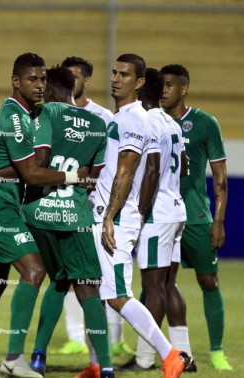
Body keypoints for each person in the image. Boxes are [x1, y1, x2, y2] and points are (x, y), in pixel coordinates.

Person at [0, 53, 85, 378]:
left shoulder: (32, 113)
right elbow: (31, 173)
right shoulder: (13, 116)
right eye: (32, 79)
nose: (40, 85)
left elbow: (32, 164)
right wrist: (72, 176)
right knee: (35, 269)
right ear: (16, 81)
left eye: (43, 79)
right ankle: (14, 357)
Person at [77, 54, 192, 378]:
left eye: (124, 74)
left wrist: (111, 217)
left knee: (117, 296)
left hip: (115, 220)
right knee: (90, 291)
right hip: (101, 215)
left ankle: (171, 355)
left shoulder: (133, 119)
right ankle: (98, 364)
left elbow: (126, 173)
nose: (115, 78)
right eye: (114, 72)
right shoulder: (122, 117)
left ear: (139, 82)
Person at [21, 66, 113, 377]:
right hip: (73, 216)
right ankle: (106, 366)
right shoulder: (100, 124)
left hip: (39, 213)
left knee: (57, 281)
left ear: (53, 91)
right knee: (88, 288)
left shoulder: (47, 113)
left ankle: (38, 355)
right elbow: (93, 176)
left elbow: (39, 161)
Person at [58, 56, 133, 359]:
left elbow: (113, 162)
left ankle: (114, 339)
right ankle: (77, 338)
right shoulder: (55, 113)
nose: (70, 81)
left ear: (87, 80)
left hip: (96, 207)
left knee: (106, 277)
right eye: (66, 76)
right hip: (65, 205)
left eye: (76, 76)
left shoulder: (103, 117)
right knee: (71, 278)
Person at [119, 68, 193, 371]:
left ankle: (147, 359)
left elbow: (149, 170)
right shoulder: (170, 122)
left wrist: (139, 212)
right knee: (167, 284)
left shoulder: (147, 120)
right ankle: (185, 355)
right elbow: (185, 166)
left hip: (155, 214)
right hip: (176, 208)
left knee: (153, 287)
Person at [160, 64, 231, 371]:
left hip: (197, 217)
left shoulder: (204, 123)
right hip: (162, 215)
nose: (163, 90)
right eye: (160, 85)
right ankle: (156, 353)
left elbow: (220, 177)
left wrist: (218, 220)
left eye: (169, 85)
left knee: (208, 281)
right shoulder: (154, 120)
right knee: (158, 282)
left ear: (183, 88)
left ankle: (216, 351)